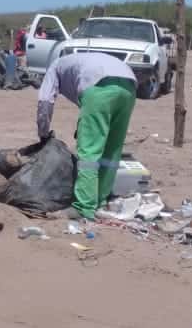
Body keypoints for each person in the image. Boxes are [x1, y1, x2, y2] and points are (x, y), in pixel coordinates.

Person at [36, 52, 137, 220]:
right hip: (128, 87)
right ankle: (100, 201)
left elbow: (45, 101)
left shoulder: (54, 68)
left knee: (89, 153)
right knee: (111, 150)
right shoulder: (78, 62)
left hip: (98, 86)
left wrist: (43, 133)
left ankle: (84, 207)